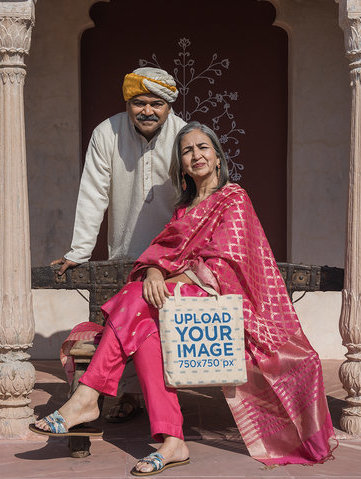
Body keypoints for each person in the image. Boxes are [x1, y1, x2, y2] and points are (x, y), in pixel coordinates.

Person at [31, 121, 335, 474]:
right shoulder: (183, 210)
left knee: (135, 295)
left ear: (218, 158)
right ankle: (172, 441)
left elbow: (229, 257)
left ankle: (87, 397)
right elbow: (162, 252)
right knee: (147, 331)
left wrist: (166, 276)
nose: (196, 155)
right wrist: (157, 272)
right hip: (175, 299)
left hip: (216, 296)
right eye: (187, 151)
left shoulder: (233, 197)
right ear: (183, 166)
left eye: (203, 147)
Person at [52, 66, 186, 421]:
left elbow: (198, 196)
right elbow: (93, 192)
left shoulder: (185, 136)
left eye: (156, 103)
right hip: (125, 249)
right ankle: (128, 395)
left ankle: (165, 396)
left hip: (175, 256)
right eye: (139, 102)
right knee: (125, 322)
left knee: (163, 325)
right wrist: (79, 250)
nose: (147, 111)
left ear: (169, 105)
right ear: (128, 103)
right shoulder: (106, 133)